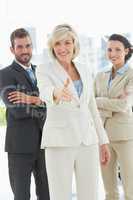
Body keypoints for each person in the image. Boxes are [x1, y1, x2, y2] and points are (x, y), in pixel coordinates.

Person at [8, 24, 110, 200]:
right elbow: (45, 91)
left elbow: (91, 108)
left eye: (67, 43)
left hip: (88, 141)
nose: (62, 48)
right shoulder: (44, 69)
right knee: (59, 195)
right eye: (57, 44)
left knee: (90, 195)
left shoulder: (85, 69)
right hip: (59, 143)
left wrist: (103, 141)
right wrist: (56, 93)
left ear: (74, 44)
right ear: (52, 47)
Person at [0, 28, 49, 200]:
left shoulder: (42, 72)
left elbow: (56, 104)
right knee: (21, 196)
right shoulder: (5, 74)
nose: (25, 50)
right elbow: (18, 110)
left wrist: (32, 99)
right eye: (19, 47)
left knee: (47, 194)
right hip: (20, 147)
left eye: (28, 46)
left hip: (45, 144)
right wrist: (44, 102)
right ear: (12, 49)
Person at [94, 34, 133, 200]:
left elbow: (124, 105)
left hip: (125, 137)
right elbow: (91, 105)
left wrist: (99, 102)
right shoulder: (100, 75)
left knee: (130, 188)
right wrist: (111, 103)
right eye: (109, 49)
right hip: (103, 138)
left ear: (127, 51)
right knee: (109, 190)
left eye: (117, 49)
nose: (113, 53)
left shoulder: (131, 75)